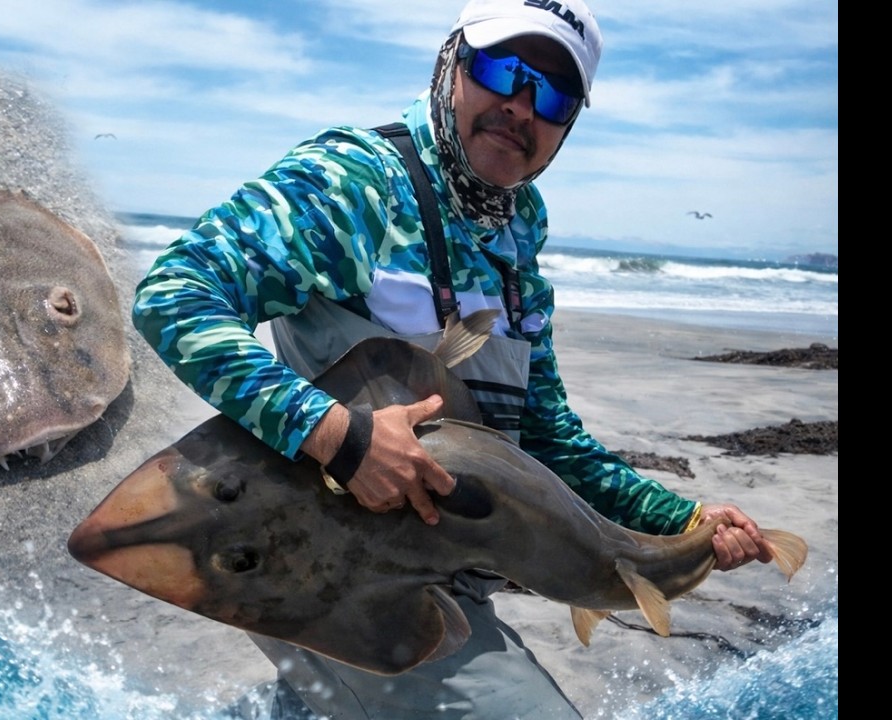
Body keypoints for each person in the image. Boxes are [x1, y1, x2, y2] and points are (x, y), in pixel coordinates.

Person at [132, 0, 774, 717]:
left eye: (554, 95)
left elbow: (547, 441)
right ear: (452, 64)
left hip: (436, 571)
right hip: (317, 562)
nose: (521, 107)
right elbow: (174, 295)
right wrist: (338, 437)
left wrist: (680, 518)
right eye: (505, 70)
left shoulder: (514, 232)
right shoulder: (359, 181)